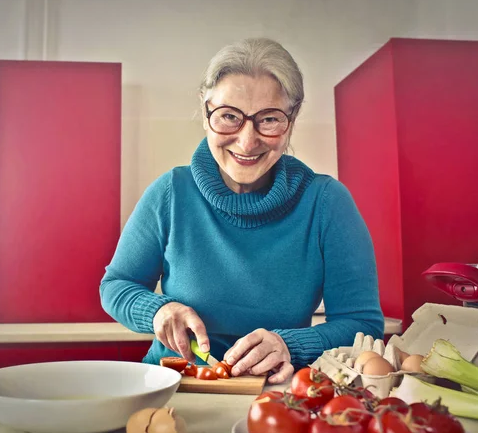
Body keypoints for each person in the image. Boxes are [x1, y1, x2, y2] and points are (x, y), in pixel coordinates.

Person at [100, 38, 384, 384]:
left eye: (269, 119)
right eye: (229, 116)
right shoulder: (171, 192)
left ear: (290, 122)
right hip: (174, 383)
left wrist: (290, 344)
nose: (247, 141)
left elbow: (362, 324)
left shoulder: (327, 203)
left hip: (277, 395)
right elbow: (117, 285)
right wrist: (159, 309)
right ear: (206, 115)